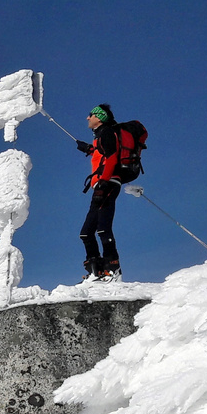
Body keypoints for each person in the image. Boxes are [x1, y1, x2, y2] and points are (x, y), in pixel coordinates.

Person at [75, 103, 129, 282]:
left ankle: (112, 269)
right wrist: (90, 149)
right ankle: (96, 270)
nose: (87, 117)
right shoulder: (100, 136)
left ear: (99, 117)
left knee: (103, 228)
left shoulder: (106, 132)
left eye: (91, 114)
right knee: (86, 232)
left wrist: (104, 182)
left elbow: (112, 157)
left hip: (107, 183)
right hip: (101, 184)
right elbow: (103, 155)